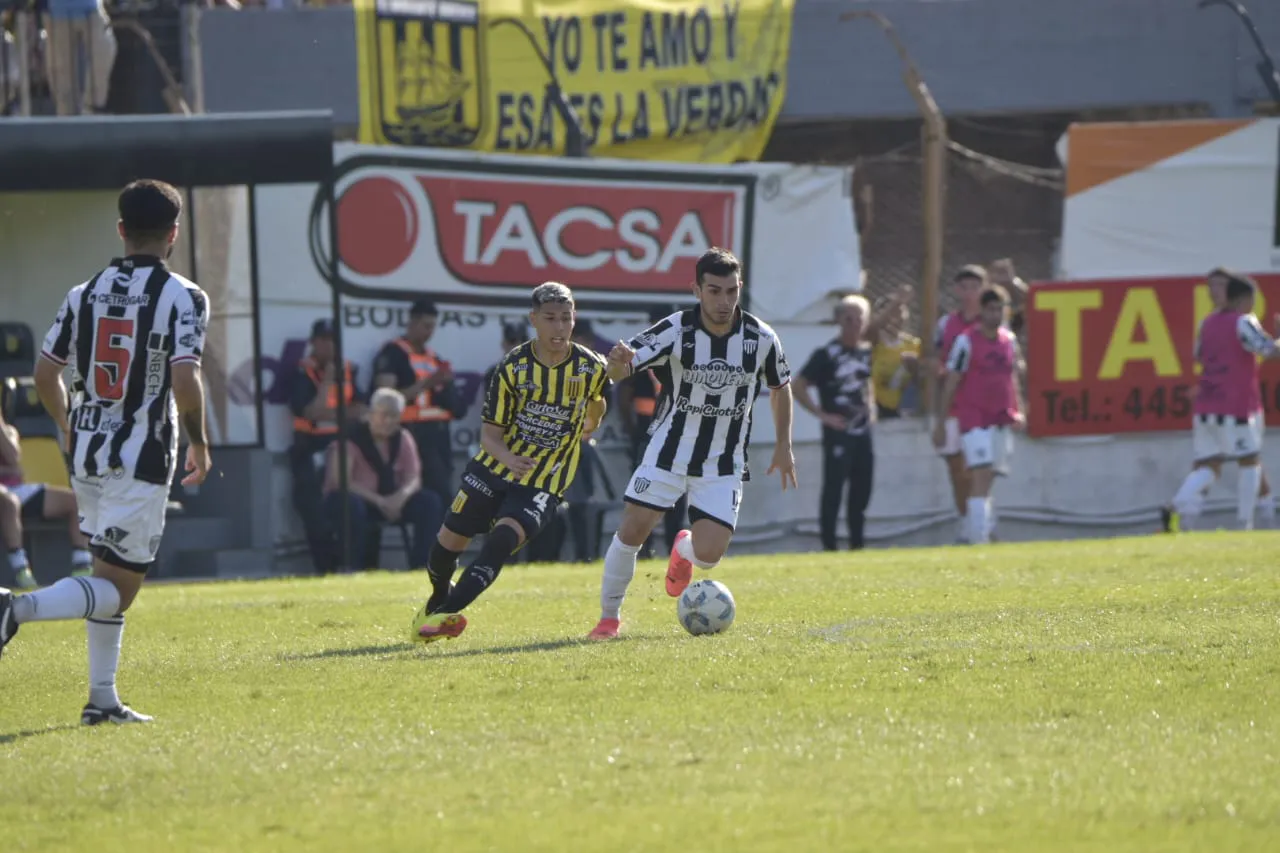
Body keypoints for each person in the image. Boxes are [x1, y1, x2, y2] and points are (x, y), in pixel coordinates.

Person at [0, 179, 212, 726]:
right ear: (174, 234)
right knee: (118, 590)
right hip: (141, 458)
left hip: (88, 455)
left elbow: (46, 372)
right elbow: (186, 381)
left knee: (106, 577)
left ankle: (102, 700)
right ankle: (13, 607)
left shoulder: (82, 293)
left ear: (121, 230)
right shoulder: (184, 296)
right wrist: (200, 443)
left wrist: (67, 424)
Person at [587, 247, 797, 641]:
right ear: (696, 290)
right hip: (669, 450)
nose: (723, 301)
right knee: (632, 531)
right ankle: (608, 618)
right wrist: (616, 363)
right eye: (714, 291)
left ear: (740, 288)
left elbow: (781, 387)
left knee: (709, 558)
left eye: (731, 291)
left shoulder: (761, 337)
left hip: (723, 460)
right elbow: (620, 368)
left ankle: (685, 549)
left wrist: (784, 445)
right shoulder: (675, 330)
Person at [410, 282, 609, 643]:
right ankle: (440, 595)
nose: (560, 327)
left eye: (566, 319)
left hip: (544, 480)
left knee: (502, 541)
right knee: (445, 549)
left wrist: (594, 415)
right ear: (534, 320)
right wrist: (507, 458)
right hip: (494, 467)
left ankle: (443, 615)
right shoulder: (512, 368)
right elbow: (489, 435)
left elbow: (595, 413)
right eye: (551, 319)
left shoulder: (591, 367)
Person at [794, 287, 911, 552]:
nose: (854, 324)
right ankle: (829, 545)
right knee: (834, 489)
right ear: (838, 320)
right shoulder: (826, 354)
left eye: (859, 319)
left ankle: (857, 545)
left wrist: (871, 408)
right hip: (838, 431)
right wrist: (822, 415)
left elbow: (866, 382)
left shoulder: (866, 351)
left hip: (862, 431)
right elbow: (798, 386)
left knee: (862, 488)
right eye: (848, 319)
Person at [1164, 273, 1280, 532]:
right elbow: (1268, 351)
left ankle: (1174, 506)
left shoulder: (1207, 323)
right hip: (1236, 405)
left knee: (1209, 465)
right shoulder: (1243, 321)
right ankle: (1245, 523)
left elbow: (1199, 356)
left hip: (1205, 405)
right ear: (1246, 298)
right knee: (1249, 460)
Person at [933, 284, 1025, 545]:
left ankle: (976, 528)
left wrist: (1019, 409)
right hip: (974, 418)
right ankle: (978, 538)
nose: (995, 314)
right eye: (990, 309)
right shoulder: (966, 341)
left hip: (1001, 418)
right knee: (981, 474)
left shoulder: (1009, 340)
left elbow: (1012, 378)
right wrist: (941, 422)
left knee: (988, 477)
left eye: (999, 309)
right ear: (982, 312)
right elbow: (952, 381)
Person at [322, 388, 442, 571]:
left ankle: (423, 565)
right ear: (371, 414)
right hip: (356, 498)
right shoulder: (350, 438)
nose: (388, 421)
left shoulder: (402, 437)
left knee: (429, 502)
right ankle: (353, 566)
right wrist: (381, 501)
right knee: (352, 506)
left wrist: (398, 499)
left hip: (391, 499)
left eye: (394, 416)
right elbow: (342, 480)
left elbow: (413, 478)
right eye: (383, 415)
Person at [288, 318, 365, 575]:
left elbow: (362, 409)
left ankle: (348, 565)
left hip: (344, 451)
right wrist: (328, 382)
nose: (330, 346)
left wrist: (329, 412)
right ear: (314, 342)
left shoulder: (350, 370)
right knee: (314, 515)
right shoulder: (301, 373)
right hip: (309, 453)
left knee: (349, 510)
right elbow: (309, 411)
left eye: (334, 340)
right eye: (324, 340)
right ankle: (324, 570)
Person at [373, 300, 466, 506]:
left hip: (439, 439)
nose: (429, 332)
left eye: (433, 326)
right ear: (412, 323)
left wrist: (447, 387)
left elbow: (457, 408)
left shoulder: (435, 359)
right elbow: (384, 397)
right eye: (425, 326)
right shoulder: (393, 353)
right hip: (410, 435)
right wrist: (427, 384)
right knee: (440, 497)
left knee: (440, 498)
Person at [615, 304, 686, 558]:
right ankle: (643, 550)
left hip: (676, 433)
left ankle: (672, 549)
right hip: (648, 432)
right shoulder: (642, 352)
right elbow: (624, 392)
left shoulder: (683, 351)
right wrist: (631, 429)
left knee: (676, 493)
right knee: (644, 491)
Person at [0, 408, 94, 589]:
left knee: (77, 500)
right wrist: (8, 471)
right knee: (9, 502)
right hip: (6, 495)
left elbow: (13, 458)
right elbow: (13, 470)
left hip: (18, 488)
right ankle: (20, 568)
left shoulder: (9, 431)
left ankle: (82, 565)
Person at [933, 265, 986, 543]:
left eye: (974, 287)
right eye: (964, 287)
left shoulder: (990, 323)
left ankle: (981, 525)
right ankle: (965, 520)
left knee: (978, 468)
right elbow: (936, 357)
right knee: (955, 467)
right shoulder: (946, 324)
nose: (969, 293)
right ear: (956, 290)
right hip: (952, 405)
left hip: (979, 406)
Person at [870, 295, 921, 418]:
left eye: (900, 312)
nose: (896, 318)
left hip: (907, 407)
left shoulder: (914, 344)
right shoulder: (873, 344)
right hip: (878, 407)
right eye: (892, 313)